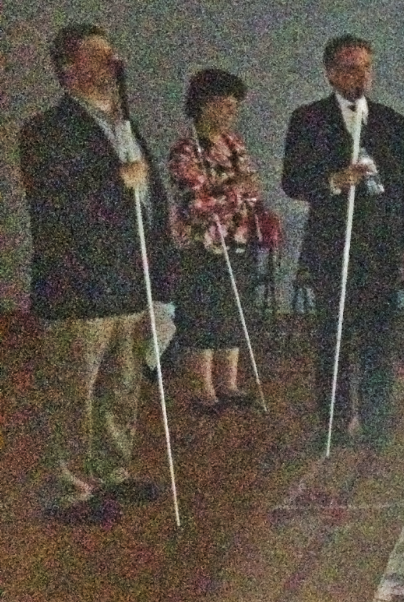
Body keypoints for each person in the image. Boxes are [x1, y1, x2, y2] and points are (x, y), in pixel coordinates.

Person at [19, 24, 173, 523]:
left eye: (113, 52)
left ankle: (111, 471)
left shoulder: (125, 124)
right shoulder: (45, 130)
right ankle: (68, 489)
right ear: (69, 69)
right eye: (100, 55)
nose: (115, 62)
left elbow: (148, 195)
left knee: (122, 385)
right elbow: (53, 203)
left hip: (130, 278)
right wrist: (115, 182)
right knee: (72, 393)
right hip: (78, 287)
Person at [281, 34, 404, 451]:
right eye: (350, 67)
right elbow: (292, 181)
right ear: (330, 72)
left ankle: (376, 421)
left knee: (379, 338)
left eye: (365, 67)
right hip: (332, 246)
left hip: (380, 247)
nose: (360, 75)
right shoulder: (307, 120)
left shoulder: (393, 123)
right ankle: (334, 423)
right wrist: (333, 181)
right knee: (334, 338)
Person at [168, 68, 271, 413]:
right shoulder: (186, 149)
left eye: (233, 106)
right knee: (203, 313)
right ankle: (204, 389)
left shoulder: (234, 144)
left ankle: (229, 383)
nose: (230, 113)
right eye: (224, 106)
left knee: (233, 310)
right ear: (203, 105)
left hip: (238, 238)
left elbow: (251, 188)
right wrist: (235, 193)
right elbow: (194, 203)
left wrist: (247, 197)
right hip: (202, 244)